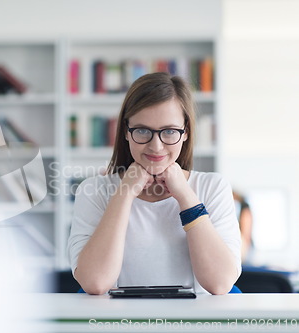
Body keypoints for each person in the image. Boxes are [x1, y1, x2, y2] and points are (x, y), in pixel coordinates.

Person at [67, 72, 242, 295]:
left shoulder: (213, 187)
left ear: (185, 132)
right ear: (126, 132)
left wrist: (185, 196)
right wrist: (125, 192)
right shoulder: (95, 191)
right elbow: (95, 282)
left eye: (169, 131)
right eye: (142, 131)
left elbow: (219, 283)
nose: (156, 146)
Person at [233, 191, 253, 263]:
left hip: (244, 243)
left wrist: (244, 247)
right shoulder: (239, 208)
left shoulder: (244, 209)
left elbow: (246, 231)